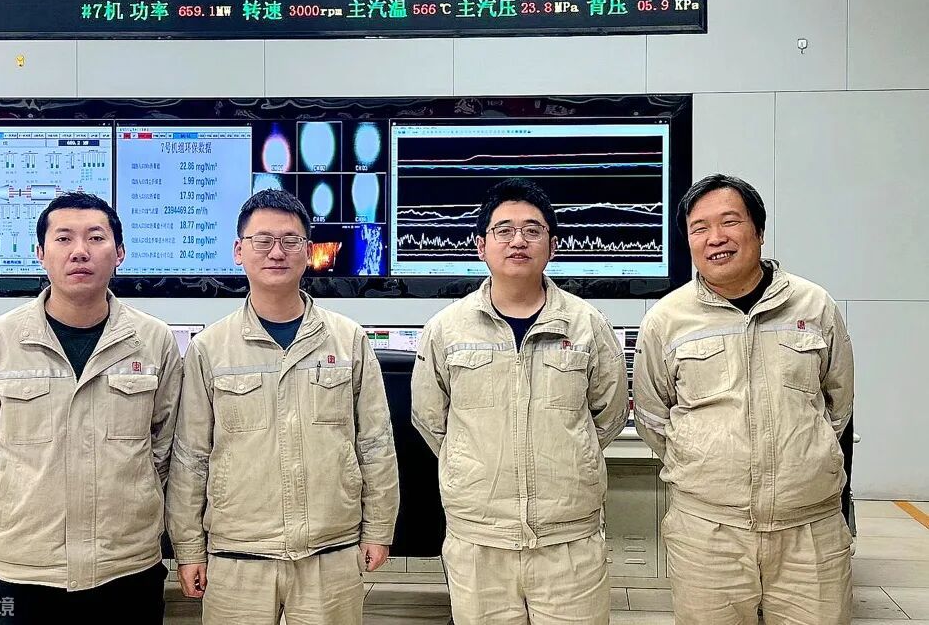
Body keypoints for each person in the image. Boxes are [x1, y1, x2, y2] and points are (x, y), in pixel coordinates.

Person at [167, 189, 399, 625]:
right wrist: (189, 549)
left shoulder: (348, 340)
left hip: (330, 553)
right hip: (237, 558)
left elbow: (375, 445)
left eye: (291, 241)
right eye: (262, 240)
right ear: (239, 251)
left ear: (309, 252)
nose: (277, 252)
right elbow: (190, 458)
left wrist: (379, 528)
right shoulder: (210, 348)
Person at [633, 174, 855, 624]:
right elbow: (654, 417)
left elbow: (838, 403)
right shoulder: (666, 320)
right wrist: (705, 460)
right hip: (708, 533)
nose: (716, 238)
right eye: (699, 228)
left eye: (730, 221)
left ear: (759, 230)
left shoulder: (814, 306)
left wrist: (803, 458)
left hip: (809, 529)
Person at [0, 192, 182, 624]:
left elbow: (165, 446)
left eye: (95, 238)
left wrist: (132, 494)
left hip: (125, 566)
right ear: (40, 253)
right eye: (63, 239)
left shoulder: (153, 341)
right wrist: (23, 497)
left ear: (119, 253)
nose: (80, 251)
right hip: (26, 568)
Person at [411, 178, 629, 625]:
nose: (518, 241)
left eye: (532, 230)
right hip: (479, 540)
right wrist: (472, 464)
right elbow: (431, 419)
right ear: (481, 246)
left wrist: (570, 456)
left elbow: (607, 415)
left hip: (568, 539)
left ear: (553, 245)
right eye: (504, 230)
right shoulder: (446, 329)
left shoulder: (587, 325)